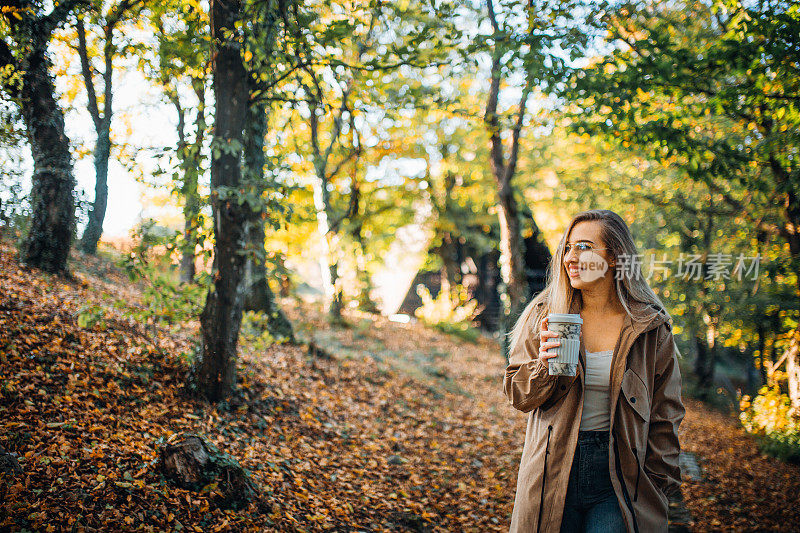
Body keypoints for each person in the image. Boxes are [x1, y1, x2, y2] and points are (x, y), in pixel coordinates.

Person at [503, 209, 685, 533]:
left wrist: (658, 482)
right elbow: (518, 395)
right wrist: (544, 365)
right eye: (568, 248)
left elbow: (666, 414)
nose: (570, 258)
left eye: (584, 247)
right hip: (553, 468)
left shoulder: (649, 329)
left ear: (614, 257)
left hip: (620, 475)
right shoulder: (546, 316)